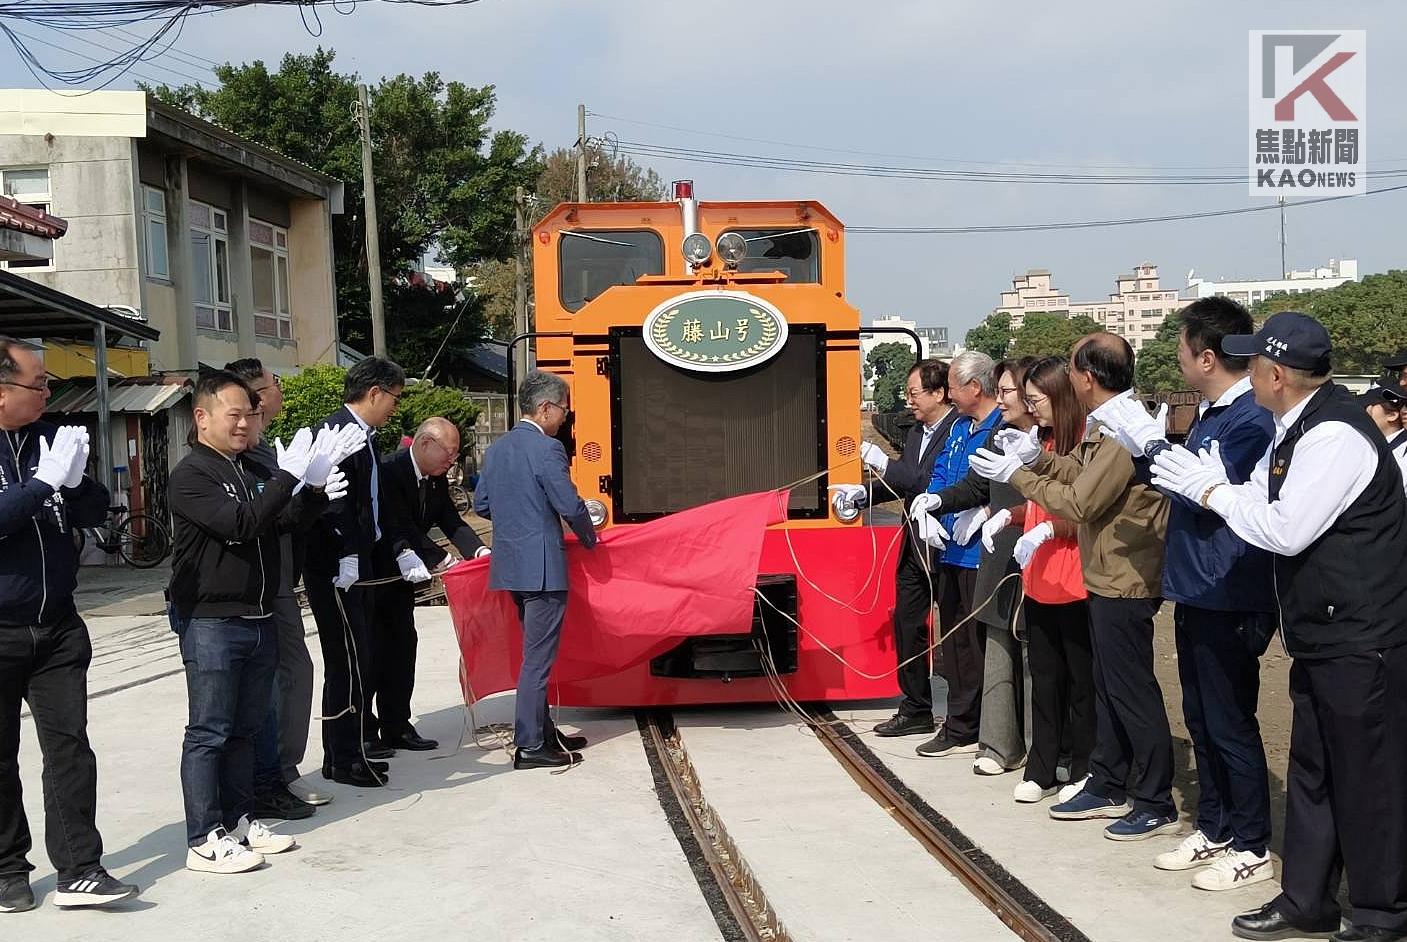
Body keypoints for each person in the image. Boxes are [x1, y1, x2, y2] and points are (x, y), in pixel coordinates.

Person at [1150, 312, 1407, 942]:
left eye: (1253, 363)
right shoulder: (1298, 427)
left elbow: (1285, 529)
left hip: (1362, 633)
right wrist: (1216, 486)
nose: (1247, 373)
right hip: (1324, 630)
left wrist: (1212, 491)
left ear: (1275, 374)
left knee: (1367, 777)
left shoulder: (1333, 436)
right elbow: (1265, 504)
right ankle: (1307, 901)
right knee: (1314, 771)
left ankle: (1382, 911)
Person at [1093, 297, 1278, 891]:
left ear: (1205, 356)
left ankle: (1251, 841)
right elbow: (1181, 481)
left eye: (1179, 346)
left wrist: (1156, 446)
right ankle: (1217, 826)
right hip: (1196, 584)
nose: (1175, 356)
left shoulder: (1251, 418)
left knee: (1230, 721)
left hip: (1231, 586)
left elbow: (1219, 492)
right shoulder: (1210, 411)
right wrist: (1150, 452)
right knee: (1199, 714)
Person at [971, 333, 1177, 842]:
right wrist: (1037, 461)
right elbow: (1075, 471)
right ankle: (1108, 780)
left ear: (1086, 377)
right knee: (1108, 688)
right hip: (1104, 572)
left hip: (1124, 576)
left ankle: (1153, 797)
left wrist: (1019, 476)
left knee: (1129, 692)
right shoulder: (1108, 424)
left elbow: (1082, 502)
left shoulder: (1126, 429)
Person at [167, 370, 361, 874]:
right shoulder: (192, 475)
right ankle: (203, 836)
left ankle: (240, 820)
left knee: (247, 730)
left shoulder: (245, 465)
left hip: (258, 614)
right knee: (210, 730)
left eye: (247, 416)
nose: (242, 425)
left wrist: (313, 492)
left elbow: (282, 524)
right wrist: (286, 479)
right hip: (212, 619)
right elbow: (241, 524)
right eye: (234, 415)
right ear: (202, 417)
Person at [0, 337, 138, 912]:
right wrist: (39, 486)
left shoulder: (46, 441)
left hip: (57, 625)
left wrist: (76, 482)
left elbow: (92, 512)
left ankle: (79, 866)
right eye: (40, 383)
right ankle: (8, 868)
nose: (50, 392)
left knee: (69, 749)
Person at [907, 357, 1037, 775]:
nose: (947, 392)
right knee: (955, 644)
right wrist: (931, 504)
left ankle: (978, 724)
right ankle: (962, 723)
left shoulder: (1000, 430)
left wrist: (969, 507)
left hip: (981, 550)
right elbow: (947, 474)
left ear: (972, 388)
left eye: (951, 385)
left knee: (980, 643)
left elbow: (984, 486)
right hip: (950, 545)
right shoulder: (962, 428)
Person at [473, 371, 597, 769]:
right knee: (538, 659)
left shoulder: (496, 450)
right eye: (563, 408)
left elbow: (482, 504)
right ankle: (530, 745)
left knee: (533, 654)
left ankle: (543, 732)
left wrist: (519, 517)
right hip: (543, 567)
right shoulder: (547, 450)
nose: (565, 417)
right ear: (544, 408)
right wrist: (592, 539)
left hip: (511, 565)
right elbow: (570, 503)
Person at [223, 359, 329, 817]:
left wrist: (314, 491)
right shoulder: (240, 456)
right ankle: (277, 772)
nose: (281, 389)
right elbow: (258, 518)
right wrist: (295, 485)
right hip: (256, 585)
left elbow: (285, 518)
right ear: (257, 397)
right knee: (282, 676)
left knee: (290, 673)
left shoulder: (266, 449)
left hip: (280, 576)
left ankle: (278, 770)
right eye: (274, 383)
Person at [988, 357, 1093, 805]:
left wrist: (1051, 529)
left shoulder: (1084, 441)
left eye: (1035, 400)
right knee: (1045, 678)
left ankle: (1086, 766)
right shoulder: (1041, 440)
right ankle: (1042, 765)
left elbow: (1082, 509)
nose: (1031, 409)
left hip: (1076, 578)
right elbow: (1037, 505)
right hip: (1039, 577)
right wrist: (1008, 517)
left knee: (1082, 682)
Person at [303, 356, 405, 788]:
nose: (395, 408)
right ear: (375, 392)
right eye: (394, 398)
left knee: (358, 659)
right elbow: (333, 502)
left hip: (358, 564)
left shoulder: (363, 435)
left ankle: (349, 751)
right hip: (334, 567)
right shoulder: (338, 434)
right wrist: (345, 551)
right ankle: (340, 756)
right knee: (345, 661)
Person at [372, 417, 489, 752]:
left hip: (405, 582)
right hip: (377, 573)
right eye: (448, 454)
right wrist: (442, 559)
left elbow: (450, 519)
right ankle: (366, 729)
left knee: (403, 647)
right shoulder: (390, 472)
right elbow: (401, 525)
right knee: (373, 653)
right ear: (425, 444)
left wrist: (478, 551)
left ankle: (397, 725)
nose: (451, 462)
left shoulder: (436, 479)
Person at [858, 359, 957, 738]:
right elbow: (904, 481)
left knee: (954, 629)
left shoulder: (955, 431)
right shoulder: (917, 431)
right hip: (914, 545)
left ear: (938, 393)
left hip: (943, 544)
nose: (909, 400)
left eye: (915, 393)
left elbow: (925, 480)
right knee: (908, 624)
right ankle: (915, 706)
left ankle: (963, 716)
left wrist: (884, 463)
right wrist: (863, 495)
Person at [1360, 383, 1407, 490]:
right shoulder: (1371, 446)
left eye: (1368, 407)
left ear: (1392, 415)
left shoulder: (1401, 454)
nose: (1363, 412)